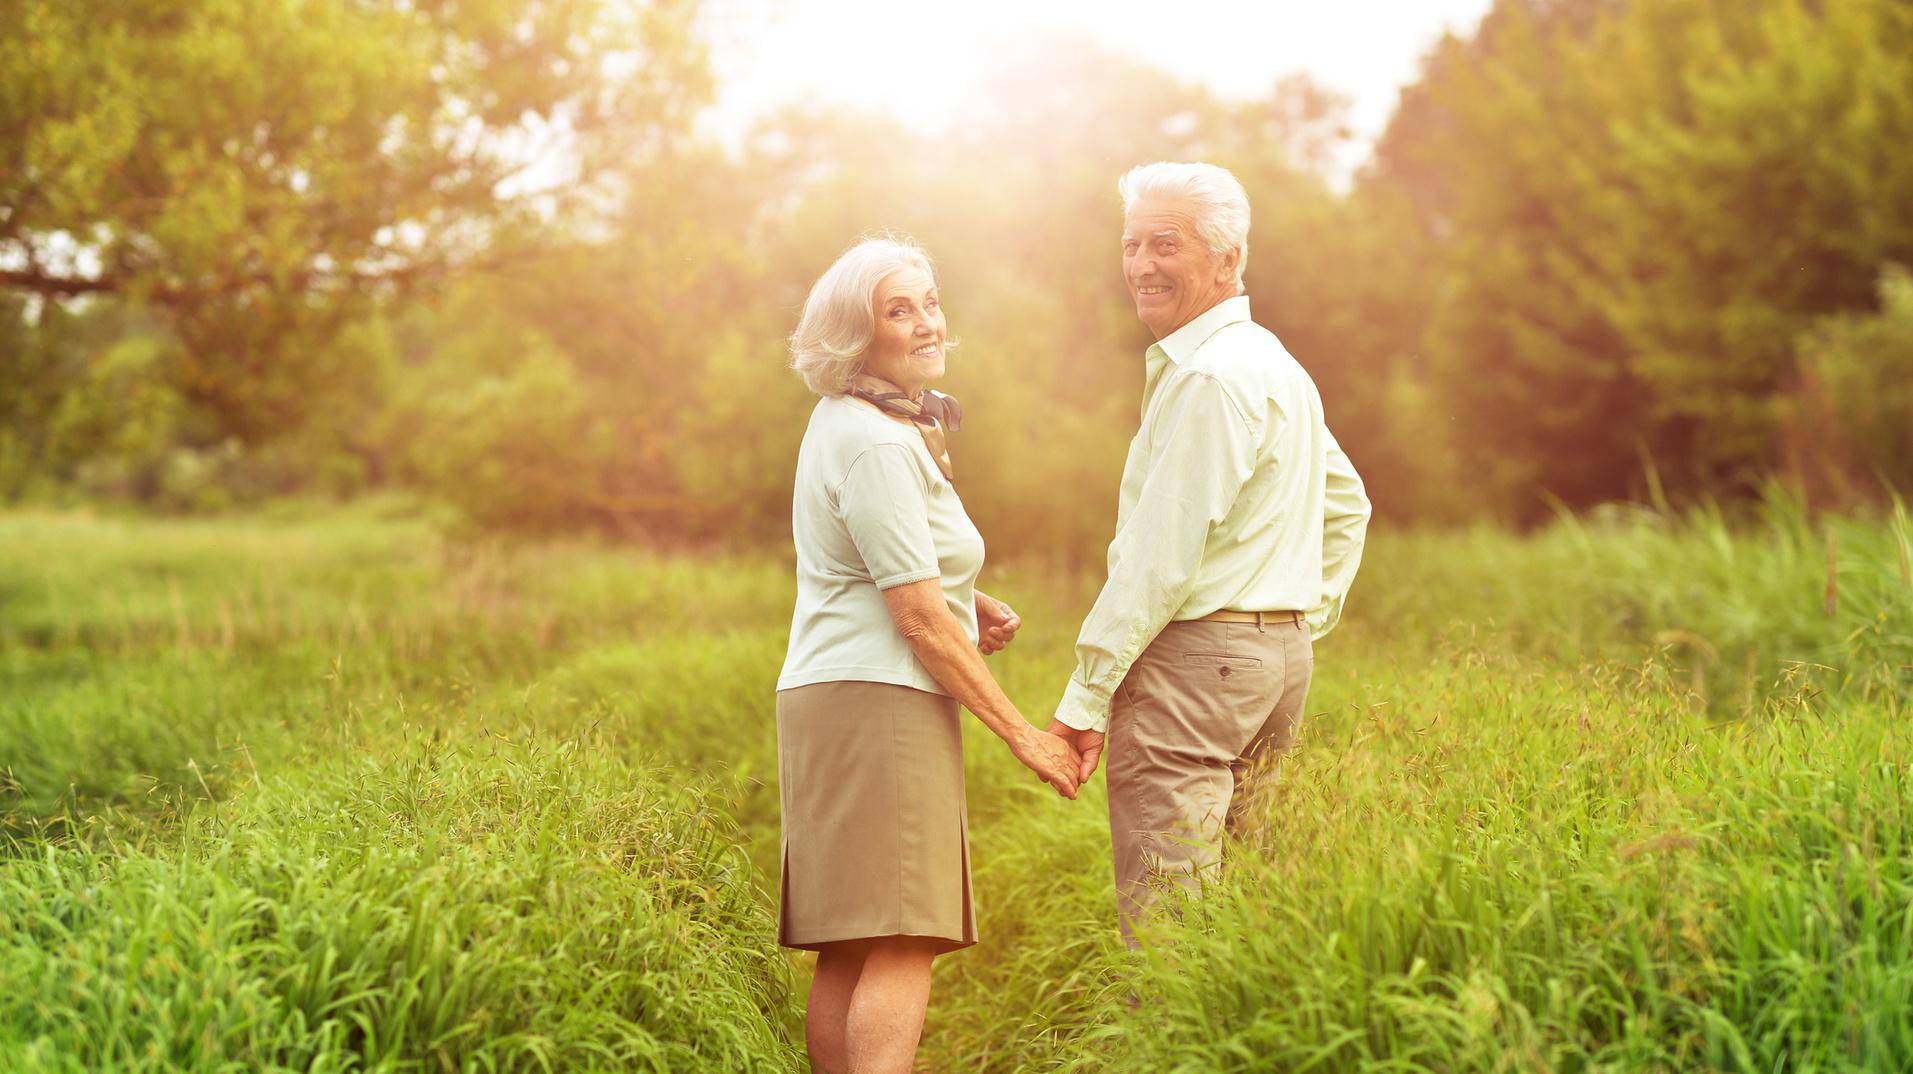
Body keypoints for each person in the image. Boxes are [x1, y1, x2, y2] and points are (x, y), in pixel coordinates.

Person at [1045, 161, 1372, 946]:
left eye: (1166, 244)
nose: (1141, 265)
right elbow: (1348, 505)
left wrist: (1083, 701)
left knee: (1170, 922)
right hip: (1274, 664)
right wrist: (1291, 622)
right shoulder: (1272, 365)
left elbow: (1158, 560)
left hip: (1198, 664)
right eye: (1131, 245)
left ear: (1228, 260)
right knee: (1248, 904)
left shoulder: (1211, 378)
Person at [777, 236, 1082, 1074]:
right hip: (881, 702)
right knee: (907, 934)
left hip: (834, 692)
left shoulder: (856, 422)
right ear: (854, 336)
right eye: (897, 310)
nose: (923, 324)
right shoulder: (876, 440)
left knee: (851, 942)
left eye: (929, 303)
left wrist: (965, 599)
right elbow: (915, 618)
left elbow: (875, 561)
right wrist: (1025, 734)